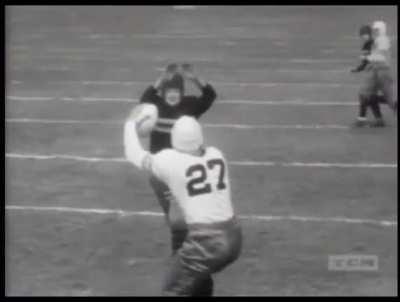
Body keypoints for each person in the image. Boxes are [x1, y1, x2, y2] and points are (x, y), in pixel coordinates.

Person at [124, 114, 242, 296]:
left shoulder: (171, 160)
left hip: (206, 241)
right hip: (234, 236)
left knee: (172, 290)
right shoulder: (216, 154)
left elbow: (134, 154)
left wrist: (130, 124)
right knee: (197, 280)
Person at [138, 63, 217, 256]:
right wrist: (162, 79)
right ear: (163, 92)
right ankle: (182, 236)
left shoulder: (189, 106)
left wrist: (194, 78)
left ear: (181, 92)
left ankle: (181, 250)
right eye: (169, 91)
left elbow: (210, 96)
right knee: (172, 214)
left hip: (181, 171)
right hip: (159, 172)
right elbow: (144, 98)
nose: (172, 95)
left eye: (176, 91)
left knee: (180, 215)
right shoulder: (155, 107)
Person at [353, 21, 397, 127]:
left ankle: (364, 120)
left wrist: (368, 57)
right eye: (375, 30)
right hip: (377, 71)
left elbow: (381, 57)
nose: (375, 31)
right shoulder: (379, 40)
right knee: (368, 94)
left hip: (381, 72)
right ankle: (374, 120)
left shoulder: (382, 40)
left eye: (377, 29)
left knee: (387, 99)